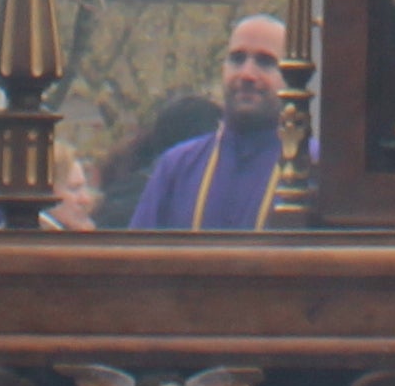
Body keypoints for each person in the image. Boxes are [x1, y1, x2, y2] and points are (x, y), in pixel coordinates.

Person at [121, 16, 293, 230]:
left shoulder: (312, 169)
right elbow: (138, 258)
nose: (247, 74)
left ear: (292, 76)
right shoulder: (177, 167)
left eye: (265, 62)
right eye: (237, 59)